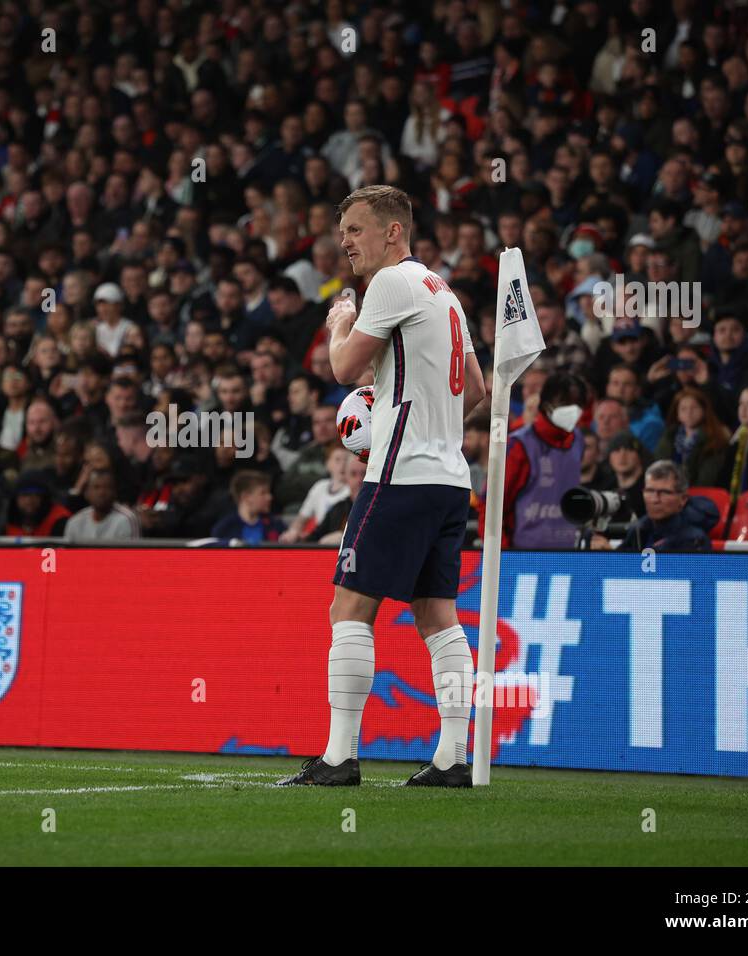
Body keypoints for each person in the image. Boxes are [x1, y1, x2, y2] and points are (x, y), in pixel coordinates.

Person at [279, 185, 486, 789]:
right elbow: (475, 389)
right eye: (342, 231)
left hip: (398, 474)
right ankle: (452, 759)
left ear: (394, 231)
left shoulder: (391, 284)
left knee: (350, 607)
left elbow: (342, 367)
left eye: (356, 229)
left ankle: (340, 758)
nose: (345, 241)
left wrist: (341, 320)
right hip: (449, 478)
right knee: (438, 615)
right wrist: (417, 412)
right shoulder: (442, 292)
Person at [489, 371, 589, 549]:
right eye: (565, 403)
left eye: (577, 404)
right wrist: (503, 555)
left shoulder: (578, 440)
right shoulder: (519, 445)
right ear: (546, 403)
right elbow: (491, 505)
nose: (572, 410)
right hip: (522, 554)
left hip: (568, 553)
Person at [591, 460, 716, 552]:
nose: (655, 499)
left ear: (683, 499)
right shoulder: (639, 530)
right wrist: (607, 555)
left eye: (664, 492)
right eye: (649, 491)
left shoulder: (694, 539)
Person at [64, 469, 140, 542]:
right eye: (96, 487)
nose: (102, 493)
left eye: (107, 487)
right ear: (86, 493)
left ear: (115, 492)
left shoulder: (126, 519)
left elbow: (131, 555)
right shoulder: (75, 521)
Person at [211, 470, 286, 543]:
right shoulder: (224, 528)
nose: (269, 497)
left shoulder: (276, 525)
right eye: (263, 493)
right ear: (246, 497)